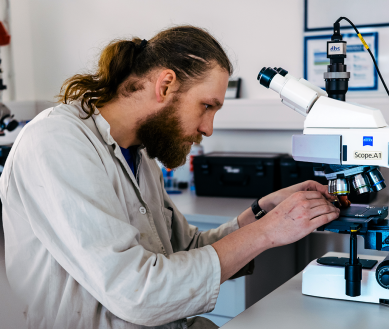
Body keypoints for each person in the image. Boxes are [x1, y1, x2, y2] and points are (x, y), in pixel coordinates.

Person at [0, 26, 339, 329]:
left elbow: (183, 250)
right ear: (165, 85)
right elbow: (138, 293)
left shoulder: (140, 151)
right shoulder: (57, 142)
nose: (207, 128)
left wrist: (261, 214)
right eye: (206, 106)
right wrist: (268, 231)